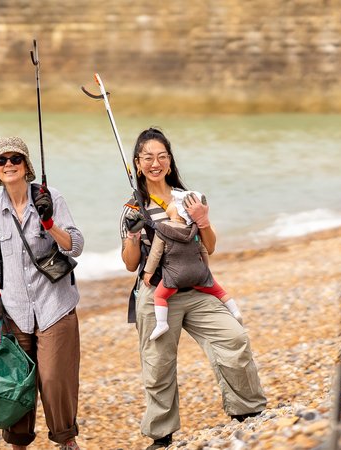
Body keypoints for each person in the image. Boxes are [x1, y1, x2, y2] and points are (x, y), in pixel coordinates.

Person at [118, 128, 266, 449]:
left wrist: (203, 221)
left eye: (162, 156)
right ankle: (162, 434)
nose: (155, 163)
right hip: (157, 294)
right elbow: (131, 265)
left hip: (198, 289)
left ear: (170, 162)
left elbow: (209, 247)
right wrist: (132, 236)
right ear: (137, 165)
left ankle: (248, 410)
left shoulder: (192, 198)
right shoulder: (133, 208)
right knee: (158, 365)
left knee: (234, 337)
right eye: (148, 158)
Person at [0, 136, 84, 450]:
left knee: (55, 382)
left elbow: (76, 246)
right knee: (16, 386)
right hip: (14, 310)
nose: (9, 165)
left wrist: (50, 222)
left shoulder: (50, 196)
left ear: (26, 165)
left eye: (15, 159)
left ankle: (66, 442)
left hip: (55, 305)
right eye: (2, 161)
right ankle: (18, 445)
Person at [141, 189, 243, 340]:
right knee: (219, 292)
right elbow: (203, 250)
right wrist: (205, 270)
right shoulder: (194, 230)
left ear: (177, 210)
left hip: (176, 277)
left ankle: (162, 323)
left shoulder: (163, 230)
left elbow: (156, 254)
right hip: (198, 274)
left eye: (172, 203)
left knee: (159, 296)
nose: (168, 204)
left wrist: (148, 271)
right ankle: (235, 312)